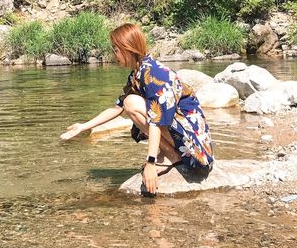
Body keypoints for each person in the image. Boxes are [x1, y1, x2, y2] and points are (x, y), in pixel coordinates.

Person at [60, 22, 214, 195]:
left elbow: (156, 120)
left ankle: (173, 156)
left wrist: (150, 162)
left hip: (195, 148)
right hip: (183, 138)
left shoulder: (153, 73)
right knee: (128, 102)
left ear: (128, 49)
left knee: (132, 103)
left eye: (115, 49)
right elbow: (116, 108)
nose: (114, 54)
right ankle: (169, 153)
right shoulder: (138, 72)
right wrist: (83, 126)